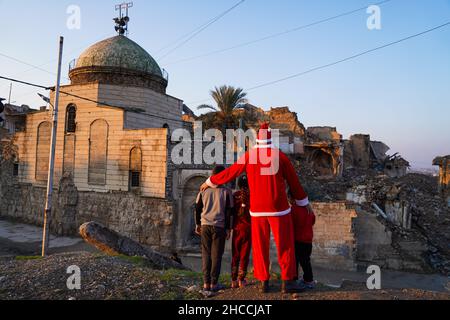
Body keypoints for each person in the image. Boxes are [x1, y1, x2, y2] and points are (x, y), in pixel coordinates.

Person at [200, 123, 313, 294]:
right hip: (279, 209)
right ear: (270, 138)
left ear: (257, 139)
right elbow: (294, 183)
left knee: (260, 246)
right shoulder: (280, 156)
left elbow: (230, 172)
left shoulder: (249, 156)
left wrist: (210, 181)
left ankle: (263, 282)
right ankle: (287, 282)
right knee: (286, 245)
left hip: (258, 209)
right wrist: (304, 202)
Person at [195, 165, 233, 293]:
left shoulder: (203, 189)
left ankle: (206, 283)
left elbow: (197, 208)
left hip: (205, 225)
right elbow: (229, 212)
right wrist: (229, 228)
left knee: (206, 253)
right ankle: (214, 283)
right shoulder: (226, 191)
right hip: (219, 226)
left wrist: (197, 224)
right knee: (216, 255)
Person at [289, 193, 316, 289]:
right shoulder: (309, 210)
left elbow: (290, 224)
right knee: (306, 261)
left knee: (295, 261)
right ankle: (309, 280)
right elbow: (312, 222)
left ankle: (294, 280)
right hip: (308, 240)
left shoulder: (293, 209)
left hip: (297, 240)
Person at [231, 175, 252, 289]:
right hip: (248, 230)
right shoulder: (252, 196)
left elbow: (231, 212)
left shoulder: (235, 196)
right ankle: (241, 280)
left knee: (235, 255)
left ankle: (233, 280)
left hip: (237, 229)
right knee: (244, 256)